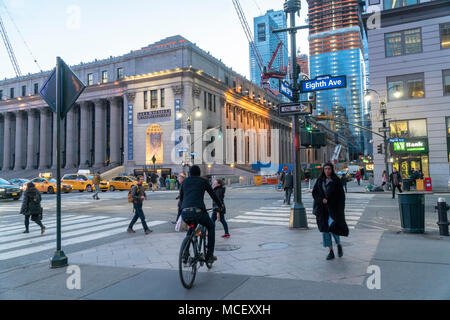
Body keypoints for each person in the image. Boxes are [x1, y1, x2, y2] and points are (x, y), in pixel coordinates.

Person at [179, 165, 223, 264]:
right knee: (211, 226)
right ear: (199, 173)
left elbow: (181, 198)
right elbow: (213, 195)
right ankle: (209, 255)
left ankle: (185, 253)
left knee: (191, 227)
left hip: (185, 212)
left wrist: (183, 208)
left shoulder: (184, 181)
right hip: (198, 211)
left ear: (189, 173)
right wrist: (220, 205)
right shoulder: (203, 181)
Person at [312, 163, 348, 260]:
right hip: (322, 211)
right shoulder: (320, 181)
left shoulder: (336, 181)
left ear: (332, 170)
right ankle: (331, 251)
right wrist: (321, 200)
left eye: (329, 169)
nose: (327, 171)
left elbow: (341, 197)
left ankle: (338, 244)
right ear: (323, 170)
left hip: (333, 210)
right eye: (325, 169)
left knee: (333, 228)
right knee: (325, 231)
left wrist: (337, 206)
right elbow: (314, 193)